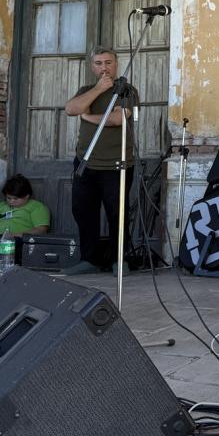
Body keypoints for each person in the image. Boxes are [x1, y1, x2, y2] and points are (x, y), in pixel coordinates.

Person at [64, 45, 139, 275]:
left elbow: (117, 119)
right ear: (92, 66)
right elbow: (70, 109)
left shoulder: (127, 90)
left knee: (117, 214)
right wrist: (97, 90)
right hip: (86, 163)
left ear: (116, 64)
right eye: (98, 63)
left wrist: (88, 117)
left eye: (108, 62)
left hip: (117, 164)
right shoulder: (87, 90)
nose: (104, 67)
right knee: (84, 212)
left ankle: (119, 260)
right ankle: (90, 260)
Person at [0, 174, 50, 270]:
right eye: (8, 198)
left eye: (16, 199)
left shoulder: (36, 207)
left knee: (15, 247)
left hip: (18, 240)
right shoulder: (1, 206)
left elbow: (41, 230)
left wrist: (16, 234)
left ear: (27, 196)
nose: (11, 202)